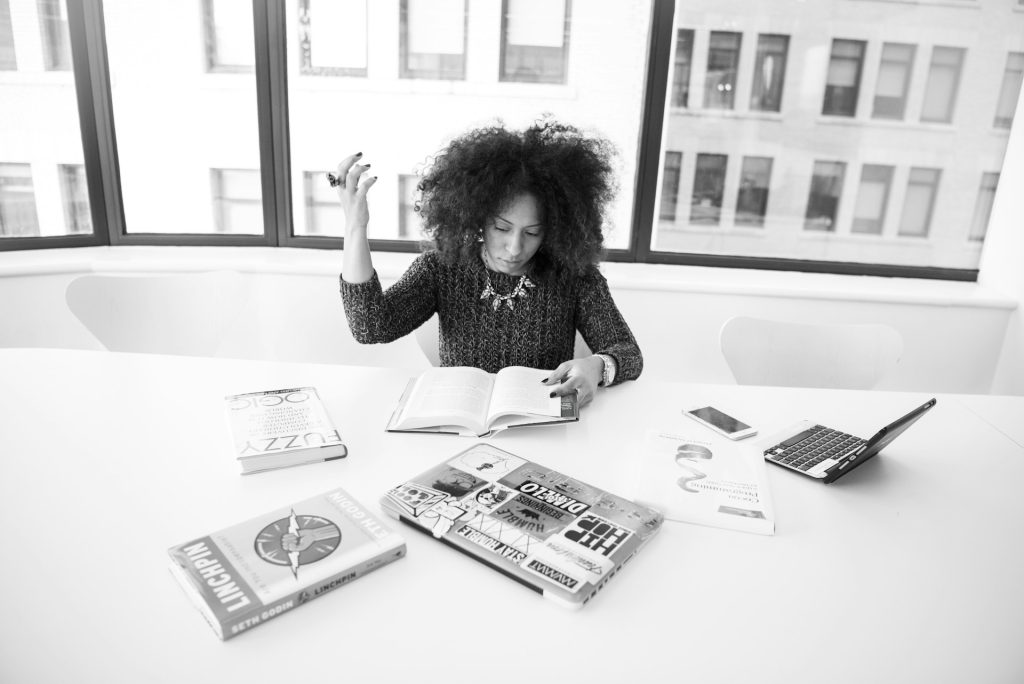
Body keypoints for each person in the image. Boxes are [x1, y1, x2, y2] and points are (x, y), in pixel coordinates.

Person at [334, 119, 642, 406]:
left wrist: (597, 365)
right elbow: (370, 326)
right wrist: (355, 227)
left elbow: (628, 354)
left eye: (533, 232)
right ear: (478, 217)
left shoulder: (574, 277)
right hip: (460, 425)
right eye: (502, 228)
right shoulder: (442, 268)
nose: (515, 247)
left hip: (541, 424)